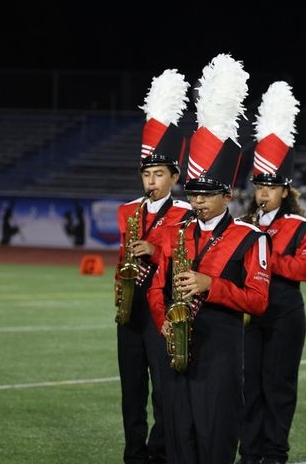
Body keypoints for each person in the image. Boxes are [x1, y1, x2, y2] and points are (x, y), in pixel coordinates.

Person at [146, 54, 271, 464]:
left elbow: (258, 300)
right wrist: (164, 317)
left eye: (206, 194)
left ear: (228, 195)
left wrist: (209, 286)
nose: (197, 201)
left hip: (219, 351)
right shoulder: (176, 232)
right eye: (193, 194)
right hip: (176, 345)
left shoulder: (249, 237)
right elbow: (156, 284)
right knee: (178, 439)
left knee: (215, 440)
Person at [237, 82, 306, 464]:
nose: (263, 192)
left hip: (285, 312)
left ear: (284, 190)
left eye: (270, 186)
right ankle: (250, 450)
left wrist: (267, 260)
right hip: (251, 315)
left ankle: (275, 451)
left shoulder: (300, 226)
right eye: (259, 185)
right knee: (248, 385)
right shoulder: (244, 224)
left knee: (278, 386)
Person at [115, 69, 192, 464]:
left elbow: (187, 257)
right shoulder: (128, 210)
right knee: (131, 389)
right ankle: (134, 453)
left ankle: (160, 452)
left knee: (164, 388)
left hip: (162, 306)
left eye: (158, 174)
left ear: (175, 177)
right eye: (146, 174)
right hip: (131, 309)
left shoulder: (185, 212)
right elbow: (122, 258)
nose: (151, 181)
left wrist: (155, 249)